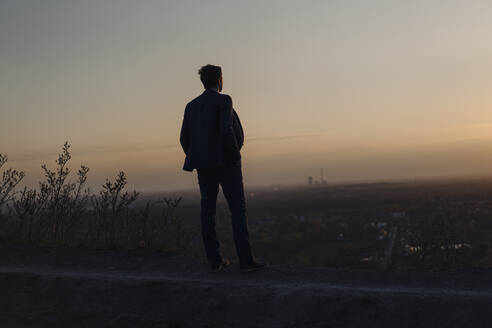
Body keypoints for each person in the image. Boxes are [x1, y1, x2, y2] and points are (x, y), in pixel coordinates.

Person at [179, 64, 267, 273]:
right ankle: (245, 261)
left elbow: (184, 139)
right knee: (237, 210)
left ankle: (215, 261)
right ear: (220, 80)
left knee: (207, 212)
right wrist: (235, 155)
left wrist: (199, 156)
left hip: (204, 167)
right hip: (227, 164)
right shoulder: (224, 100)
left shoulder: (191, 106)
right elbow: (226, 131)